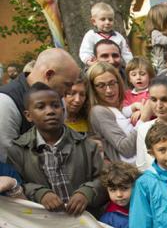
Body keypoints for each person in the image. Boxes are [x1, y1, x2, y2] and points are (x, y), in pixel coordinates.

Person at [7, 83, 106, 216]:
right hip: (44, 223)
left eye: (55, 105)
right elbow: (15, 185)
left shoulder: (87, 145)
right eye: (41, 107)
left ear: (63, 110)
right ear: (28, 115)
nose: (50, 111)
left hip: (85, 220)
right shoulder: (18, 150)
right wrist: (39, 193)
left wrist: (88, 192)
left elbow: (105, 179)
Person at [0, 48, 80, 162]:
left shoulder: (59, 98)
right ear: (49, 74)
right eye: (67, 84)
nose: (69, 91)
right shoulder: (6, 102)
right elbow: (7, 158)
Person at [87, 61, 139, 162]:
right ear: (93, 89)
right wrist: (144, 119)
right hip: (130, 170)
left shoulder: (119, 108)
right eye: (101, 85)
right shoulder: (98, 111)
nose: (109, 90)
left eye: (112, 83)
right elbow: (126, 149)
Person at [99, 161, 140, 228]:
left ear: (134, 186)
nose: (119, 195)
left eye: (124, 188)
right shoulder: (108, 220)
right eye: (113, 190)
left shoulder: (145, 205)